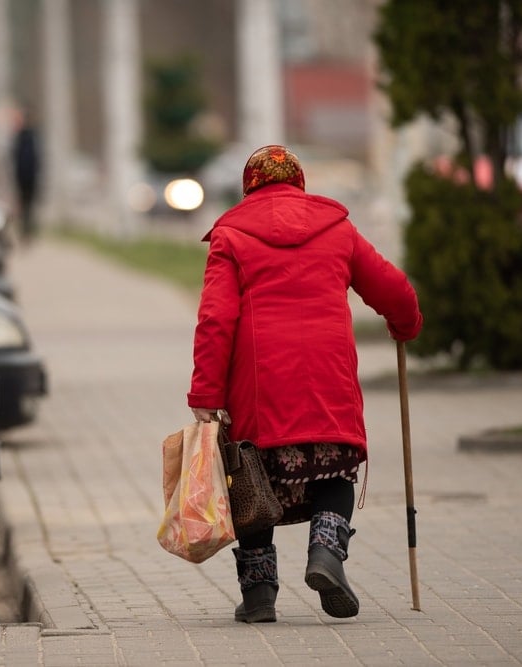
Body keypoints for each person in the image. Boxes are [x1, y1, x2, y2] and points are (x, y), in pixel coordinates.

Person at [188, 145, 423, 624]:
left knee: (251, 482)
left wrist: (206, 395)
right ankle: (326, 554)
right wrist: (405, 324)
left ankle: (259, 597)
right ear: (299, 183)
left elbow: (216, 319)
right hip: (327, 378)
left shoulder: (232, 235)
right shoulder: (337, 229)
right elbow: (393, 288)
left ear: (249, 186)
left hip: (259, 386)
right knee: (333, 472)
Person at [12, 108, 41, 243]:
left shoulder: (32, 136)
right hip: (22, 177)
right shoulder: (22, 137)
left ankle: (28, 231)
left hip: (30, 177)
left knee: (29, 206)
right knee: (24, 206)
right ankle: (25, 232)